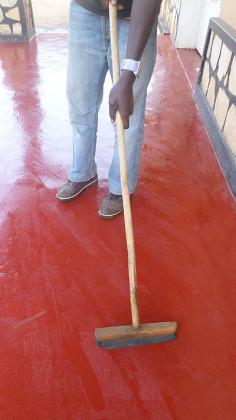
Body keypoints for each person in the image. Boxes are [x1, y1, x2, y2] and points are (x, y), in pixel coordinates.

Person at [56, 0, 162, 218]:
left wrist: (128, 73)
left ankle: (120, 187)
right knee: (80, 104)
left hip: (135, 21)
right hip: (85, 13)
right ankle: (83, 173)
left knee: (126, 115)